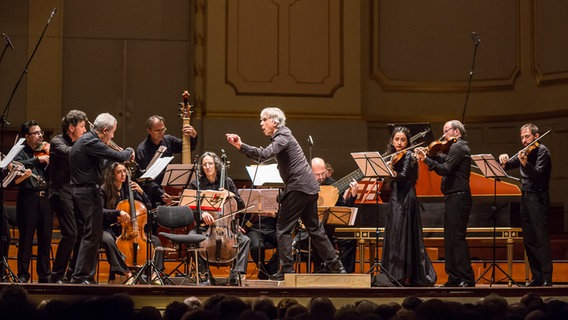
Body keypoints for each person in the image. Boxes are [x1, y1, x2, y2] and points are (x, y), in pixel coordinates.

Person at [226, 107, 346, 281]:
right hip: (309, 188)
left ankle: (287, 270)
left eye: (264, 119)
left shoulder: (283, 135)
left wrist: (240, 145)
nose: (261, 123)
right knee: (315, 230)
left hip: (298, 188)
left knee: (282, 229)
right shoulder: (283, 136)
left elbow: (264, 154)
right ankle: (337, 267)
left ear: (274, 122)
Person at [70, 113, 135, 284]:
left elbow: (103, 164)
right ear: (105, 130)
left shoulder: (89, 141)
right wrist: (129, 151)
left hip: (84, 192)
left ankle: (84, 276)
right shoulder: (91, 141)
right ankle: (81, 277)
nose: (112, 136)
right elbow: (120, 156)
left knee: (93, 234)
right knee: (92, 235)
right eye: (112, 132)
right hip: (87, 193)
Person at [415, 120, 475, 287]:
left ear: (456, 132)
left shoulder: (459, 147)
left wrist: (427, 159)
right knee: (450, 239)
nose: (443, 136)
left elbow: (445, 169)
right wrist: (430, 154)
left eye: (446, 131)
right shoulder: (453, 148)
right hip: (452, 197)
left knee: (457, 239)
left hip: (459, 197)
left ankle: (466, 278)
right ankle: (454, 277)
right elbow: (443, 158)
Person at [380, 127, 436, 286]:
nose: (399, 142)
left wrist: (390, 171)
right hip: (395, 197)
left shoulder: (410, 156)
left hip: (406, 198)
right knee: (394, 233)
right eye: (396, 139)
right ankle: (392, 272)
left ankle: (406, 274)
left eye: (402, 140)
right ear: (392, 140)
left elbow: (404, 176)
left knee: (404, 234)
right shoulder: (391, 156)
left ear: (407, 141)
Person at [498, 123, 552, 286]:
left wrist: (524, 163)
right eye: (522, 137)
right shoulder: (524, 152)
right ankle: (536, 276)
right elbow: (506, 166)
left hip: (538, 197)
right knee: (529, 239)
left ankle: (546, 278)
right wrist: (503, 159)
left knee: (540, 238)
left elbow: (537, 175)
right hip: (526, 197)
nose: (524, 140)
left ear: (536, 136)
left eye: (527, 136)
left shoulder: (543, 151)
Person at [188, 151, 251, 286]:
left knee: (245, 240)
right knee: (191, 238)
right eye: (204, 164)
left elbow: (240, 205)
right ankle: (204, 275)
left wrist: (231, 194)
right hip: (205, 227)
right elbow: (190, 207)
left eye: (210, 163)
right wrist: (201, 213)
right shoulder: (196, 184)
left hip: (227, 226)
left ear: (216, 165)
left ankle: (236, 275)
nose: (207, 167)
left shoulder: (227, 182)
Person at [48, 110, 88, 283]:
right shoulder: (57, 142)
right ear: (71, 128)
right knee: (70, 233)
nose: (85, 130)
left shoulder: (80, 142)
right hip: (60, 192)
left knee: (83, 232)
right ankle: (56, 275)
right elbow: (70, 153)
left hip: (76, 192)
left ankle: (73, 274)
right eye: (82, 126)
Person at [13, 120, 52, 283]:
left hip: (46, 199)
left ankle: (44, 275)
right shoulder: (20, 151)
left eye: (40, 132)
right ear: (26, 136)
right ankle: (23, 275)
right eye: (35, 133)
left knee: (45, 238)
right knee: (26, 238)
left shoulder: (45, 149)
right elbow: (15, 165)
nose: (40, 135)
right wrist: (38, 160)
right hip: (28, 199)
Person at [136, 115, 198, 206]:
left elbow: (188, 147)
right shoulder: (142, 150)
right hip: (152, 193)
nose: (161, 133)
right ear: (149, 131)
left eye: (163, 129)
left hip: (170, 190)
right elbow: (144, 179)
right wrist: (160, 193)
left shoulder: (168, 140)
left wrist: (194, 136)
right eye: (157, 130)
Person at [100, 162, 147, 282]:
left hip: (128, 229)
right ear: (112, 174)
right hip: (106, 227)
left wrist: (142, 192)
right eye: (119, 172)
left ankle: (152, 275)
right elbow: (100, 211)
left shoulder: (128, 189)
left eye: (124, 171)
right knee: (109, 241)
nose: (123, 174)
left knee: (155, 241)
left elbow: (147, 206)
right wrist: (118, 213)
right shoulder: (103, 190)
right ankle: (127, 273)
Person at [310, 157, 358, 273]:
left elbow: (344, 208)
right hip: (310, 228)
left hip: (329, 228)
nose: (321, 177)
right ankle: (320, 271)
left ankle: (345, 274)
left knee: (350, 240)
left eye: (323, 173)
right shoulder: (304, 183)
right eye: (317, 175)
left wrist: (353, 195)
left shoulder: (332, 184)